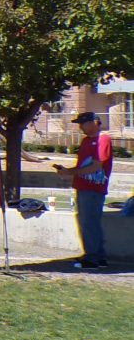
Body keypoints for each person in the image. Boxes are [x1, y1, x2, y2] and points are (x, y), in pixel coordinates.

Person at [54, 112, 112, 269]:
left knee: (89, 222)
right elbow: (83, 166)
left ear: (95, 122)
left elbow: (96, 165)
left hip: (94, 188)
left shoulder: (103, 139)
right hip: (83, 186)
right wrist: (68, 172)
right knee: (87, 222)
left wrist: (70, 172)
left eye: (84, 123)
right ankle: (97, 256)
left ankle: (93, 257)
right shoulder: (87, 141)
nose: (81, 127)